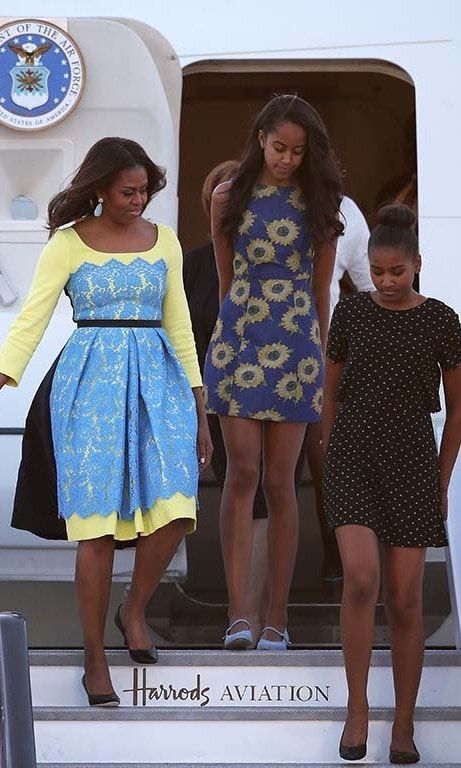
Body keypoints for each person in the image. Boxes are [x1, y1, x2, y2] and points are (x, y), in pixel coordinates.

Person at [0, 137, 212, 706]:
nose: (139, 200)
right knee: (93, 529)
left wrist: (199, 405)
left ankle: (133, 609)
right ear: (99, 189)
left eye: (145, 190)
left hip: (160, 382)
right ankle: (95, 659)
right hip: (88, 384)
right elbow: (32, 320)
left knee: (177, 505)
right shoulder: (67, 245)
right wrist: (2, 375)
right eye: (128, 191)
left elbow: (182, 326)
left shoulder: (164, 241)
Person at [204, 94, 343, 651]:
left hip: (297, 346)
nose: (287, 158)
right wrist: (224, 341)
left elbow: (321, 293)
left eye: (297, 151)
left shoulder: (320, 202)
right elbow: (223, 281)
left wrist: (324, 361)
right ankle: (239, 616)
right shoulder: (226, 198)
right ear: (260, 136)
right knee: (240, 476)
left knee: (282, 483)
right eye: (279, 147)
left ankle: (276, 621)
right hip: (238, 341)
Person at [322, 204, 461, 763]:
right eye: (377, 272)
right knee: (360, 580)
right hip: (352, 453)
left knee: (405, 600)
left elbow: (457, 411)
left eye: (396, 272)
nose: (385, 281)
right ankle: (357, 708)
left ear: (417, 264)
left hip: (413, 461)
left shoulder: (442, 321)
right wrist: (329, 455)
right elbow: (329, 395)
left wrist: (441, 477)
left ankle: (402, 725)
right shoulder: (351, 315)